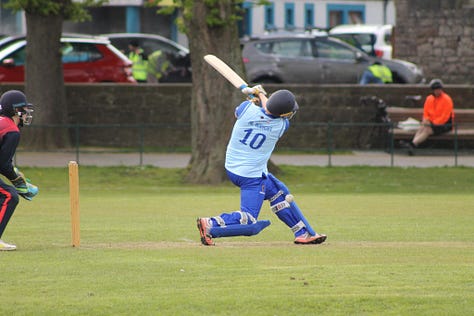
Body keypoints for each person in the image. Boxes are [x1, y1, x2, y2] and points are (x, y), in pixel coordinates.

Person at [196, 87, 327, 246]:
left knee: (279, 193)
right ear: (284, 114)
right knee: (249, 218)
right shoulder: (280, 126)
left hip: (233, 167)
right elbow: (269, 110)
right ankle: (210, 224)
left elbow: (257, 109)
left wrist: (255, 96)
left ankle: (303, 233)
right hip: (251, 176)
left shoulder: (246, 109)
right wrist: (260, 93)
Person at [0, 90, 38, 251]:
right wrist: (18, 182)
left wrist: (14, 174)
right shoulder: (11, 130)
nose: (26, 114)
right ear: (17, 110)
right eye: (24, 109)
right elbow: (3, 165)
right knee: (9, 195)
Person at [401, 79, 454, 155]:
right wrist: (426, 120)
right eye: (435, 90)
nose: (437, 91)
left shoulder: (447, 99)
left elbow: (445, 117)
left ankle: (413, 144)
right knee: (423, 126)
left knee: (427, 129)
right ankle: (413, 144)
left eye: (438, 89)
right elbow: (426, 113)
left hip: (445, 124)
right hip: (431, 123)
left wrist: (433, 123)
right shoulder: (429, 99)